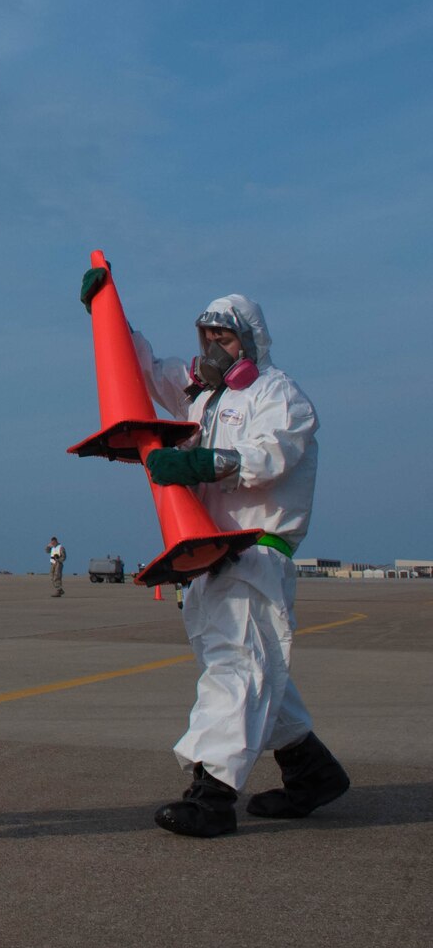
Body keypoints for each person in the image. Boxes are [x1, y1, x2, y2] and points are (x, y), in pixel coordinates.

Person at [82, 269, 350, 837]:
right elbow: (147, 370)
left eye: (223, 339)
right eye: (205, 338)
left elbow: (268, 456)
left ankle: (213, 793)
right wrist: (110, 315)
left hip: (256, 552)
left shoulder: (279, 395)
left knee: (237, 668)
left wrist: (201, 463)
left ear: (250, 343)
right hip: (208, 554)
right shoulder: (202, 396)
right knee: (252, 667)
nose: (211, 349)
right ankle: (311, 772)